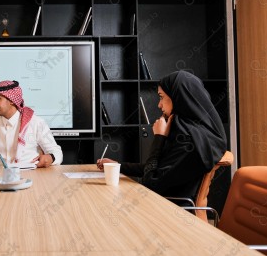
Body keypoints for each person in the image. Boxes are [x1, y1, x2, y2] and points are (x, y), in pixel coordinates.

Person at [97, 70, 227, 200]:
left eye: (161, 97)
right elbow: (157, 169)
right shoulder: (193, 133)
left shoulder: (189, 141)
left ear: (178, 97)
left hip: (169, 210)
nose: (159, 105)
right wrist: (118, 165)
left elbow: (150, 183)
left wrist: (159, 137)